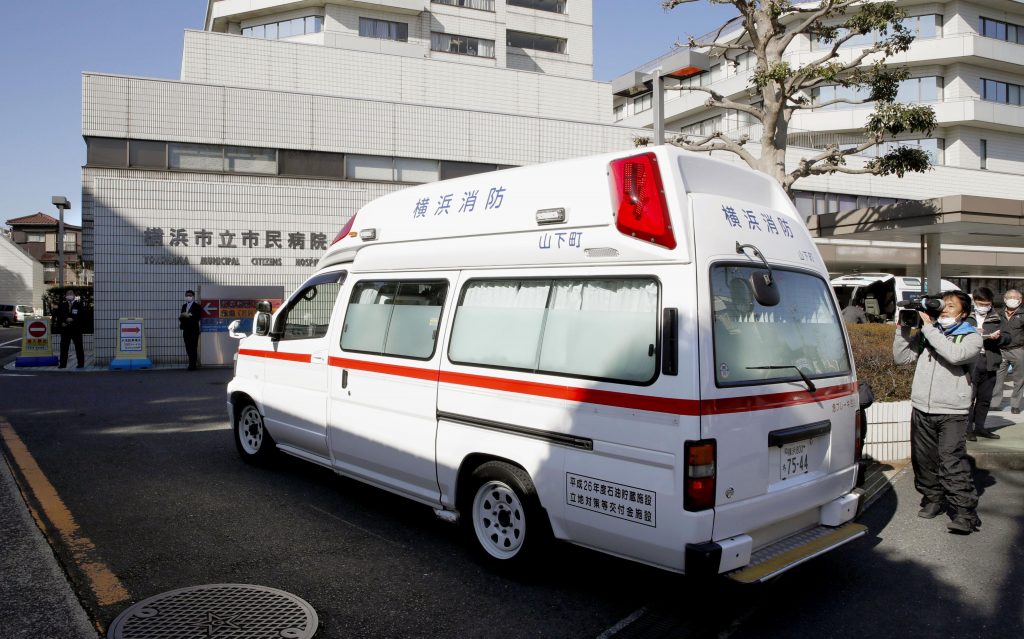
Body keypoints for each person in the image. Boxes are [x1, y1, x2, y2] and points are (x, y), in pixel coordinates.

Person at [893, 290, 982, 534]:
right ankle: (933, 499)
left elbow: (955, 356)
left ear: (963, 313)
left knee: (951, 461)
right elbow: (901, 358)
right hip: (922, 407)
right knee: (924, 461)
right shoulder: (927, 334)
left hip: (953, 411)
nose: (944, 309)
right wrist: (902, 329)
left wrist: (929, 328)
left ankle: (965, 513)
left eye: (951, 306)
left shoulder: (971, 337)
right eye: (942, 305)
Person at [965, 287, 1007, 440]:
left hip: (990, 360)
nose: (983, 307)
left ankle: (980, 427)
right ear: (974, 301)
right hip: (971, 361)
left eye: (987, 304)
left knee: (985, 398)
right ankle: (968, 429)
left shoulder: (997, 317)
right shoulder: (965, 316)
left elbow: (1008, 337)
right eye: (980, 303)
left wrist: (999, 338)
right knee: (969, 397)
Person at [993, 288, 1024, 414]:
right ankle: (995, 403)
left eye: (1016, 298)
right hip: (1000, 350)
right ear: (1005, 300)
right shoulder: (997, 314)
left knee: (1019, 379)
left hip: (1018, 350)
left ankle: (1015, 404)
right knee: (997, 377)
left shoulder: (1022, 314)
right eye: (1010, 297)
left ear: (1020, 301)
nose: (1012, 300)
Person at [54, 290, 86, 369]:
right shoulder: (62, 305)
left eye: (71, 294)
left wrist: (73, 320)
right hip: (65, 330)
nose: (69, 295)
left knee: (79, 347)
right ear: (65, 296)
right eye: (68, 294)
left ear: (74, 295)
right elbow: (58, 316)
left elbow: (82, 317)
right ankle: (62, 364)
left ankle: (81, 364)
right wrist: (62, 322)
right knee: (64, 347)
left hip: (76, 329)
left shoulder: (79, 305)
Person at [179, 290, 204, 370]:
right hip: (186, 329)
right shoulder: (184, 306)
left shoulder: (197, 306)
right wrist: (183, 316)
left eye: (190, 295)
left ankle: (193, 365)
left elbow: (198, 317)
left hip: (194, 329)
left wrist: (189, 316)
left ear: (193, 296)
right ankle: (191, 363)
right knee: (187, 347)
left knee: (193, 347)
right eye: (187, 295)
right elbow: (181, 317)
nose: (188, 297)